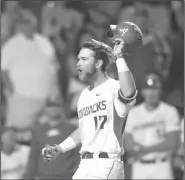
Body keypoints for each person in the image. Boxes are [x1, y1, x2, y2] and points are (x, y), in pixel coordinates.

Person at [42, 38, 137, 179]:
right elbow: (84, 129)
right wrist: (59, 148)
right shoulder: (84, 95)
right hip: (85, 164)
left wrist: (119, 58)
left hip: (106, 162)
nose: (78, 63)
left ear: (98, 63)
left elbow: (129, 92)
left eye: (84, 59)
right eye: (79, 59)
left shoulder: (114, 87)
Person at [1, 10, 60, 130]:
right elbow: (3, 71)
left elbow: (54, 67)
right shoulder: (11, 44)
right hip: (22, 99)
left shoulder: (44, 42)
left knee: (44, 134)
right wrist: (13, 93)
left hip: (46, 99)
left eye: (31, 22)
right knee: (19, 133)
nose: (28, 25)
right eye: (24, 23)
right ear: (19, 26)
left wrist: (55, 91)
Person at [123, 73, 181, 179]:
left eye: (154, 89)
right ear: (143, 92)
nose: (150, 93)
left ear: (160, 91)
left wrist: (144, 149)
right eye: (147, 89)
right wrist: (135, 147)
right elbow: (126, 140)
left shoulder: (170, 111)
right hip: (139, 167)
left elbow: (172, 141)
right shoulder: (134, 113)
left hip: (161, 166)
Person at [23, 104, 80, 179]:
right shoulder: (37, 131)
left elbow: (78, 154)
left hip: (67, 176)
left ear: (61, 107)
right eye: (50, 105)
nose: (54, 108)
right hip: (44, 177)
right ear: (46, 108)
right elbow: (33, 158)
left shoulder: (71, 129)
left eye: (56, 105)